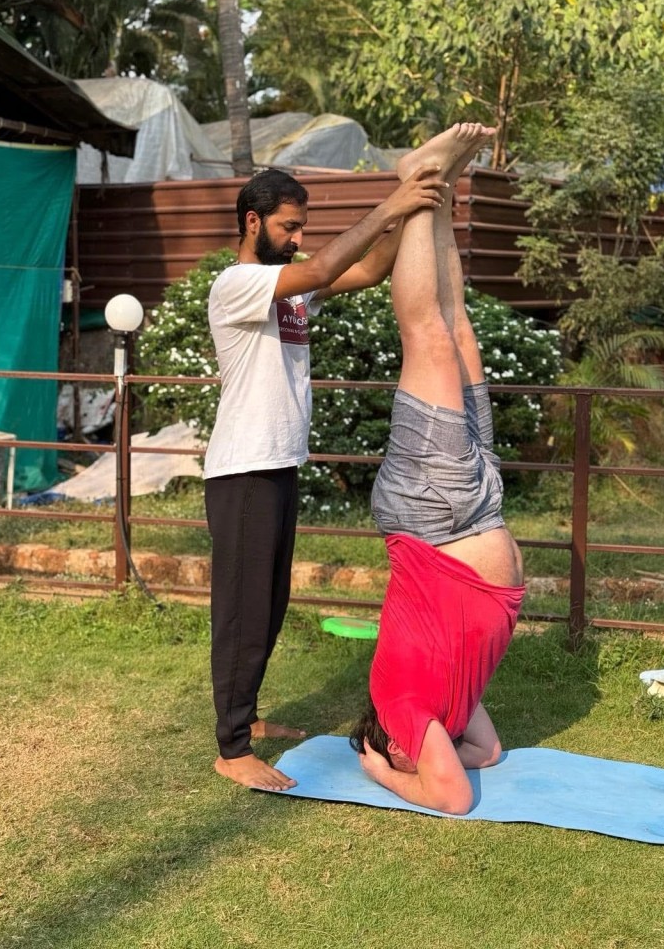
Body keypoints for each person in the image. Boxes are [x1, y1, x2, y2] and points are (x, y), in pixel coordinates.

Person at [204, 164, 449, 791]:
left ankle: (246, 717)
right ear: (252, 221)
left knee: (269, 606)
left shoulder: (286, 292)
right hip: (244, 469)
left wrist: (411, 211)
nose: (298, 238)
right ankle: (232, 749)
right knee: (242, 612)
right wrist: (389, 204)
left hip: (276, 463)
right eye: (289, 227)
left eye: (302, 227)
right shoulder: (237, 283)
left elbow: (364, 270)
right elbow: (319, 269)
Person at [349, 122, 526, 815]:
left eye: (413, 758)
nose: (434, 754)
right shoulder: (446, 712)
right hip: (474, 507)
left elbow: (451, 798)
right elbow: (488, 752)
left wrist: (384, 775)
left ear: (392, 744)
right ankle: (441, 188)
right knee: (458, 332)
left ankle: (414, 179)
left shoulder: (400, 708)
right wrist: (442, 743)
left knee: (425, 337)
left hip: (434, 514)